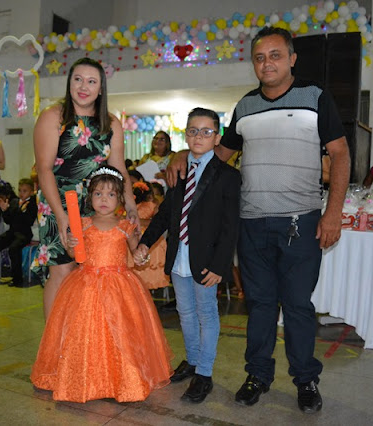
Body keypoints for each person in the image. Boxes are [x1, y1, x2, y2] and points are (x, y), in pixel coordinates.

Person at [165, 27, 350, 413]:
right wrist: (182, 154)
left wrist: (333, 213)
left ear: (292, 59)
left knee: (297, 305)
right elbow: (219, 156)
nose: (267, 63)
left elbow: (340, 154)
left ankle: (305, 380)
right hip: (251, 224)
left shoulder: (315, 97)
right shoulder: (246, 106)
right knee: (261, 305)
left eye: (276, 55)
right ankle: (258, 376)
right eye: (260, 57)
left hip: (300, 222)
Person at [31, 166, 172, 403]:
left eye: (110, 194)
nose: (104, 200)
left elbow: (137, 253)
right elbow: (76, 255)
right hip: (86, 284)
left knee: (120, 331)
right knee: (86, 332)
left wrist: (142, 256)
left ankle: (122, 378)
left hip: (119, 285)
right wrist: (71, 244)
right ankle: (86, 377)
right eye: (98, 194)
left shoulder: (126, 226)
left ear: (120, 199)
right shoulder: (83, 224)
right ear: (90, 197)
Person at [137, 108, 241, 403]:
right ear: (186, 135)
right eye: (193, 131)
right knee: (185, 312)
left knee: (206, 313)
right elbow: (165, 214)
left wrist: (220, 265)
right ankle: (193, 361)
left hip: (206, 260)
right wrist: (145, 243)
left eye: (206, 132)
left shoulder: (228, 176)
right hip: (179, 256)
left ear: (217, 137)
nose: (199, 137)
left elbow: (230, 226)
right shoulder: (180, 172)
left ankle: (204, 374)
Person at [33, 57, 138, 319]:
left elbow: (119, 168)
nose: (83, 86)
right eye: (78, 79)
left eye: (92, 81)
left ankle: (83, 333)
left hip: (97, 204)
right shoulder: (53, 117)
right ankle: (55, 338)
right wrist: (61, 216)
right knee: (62, 270)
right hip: (57, 202)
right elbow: (44, 169)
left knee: (91, 270)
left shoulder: (110, 123)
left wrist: (131, 204)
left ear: (101, 88)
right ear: (69, 82)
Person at [0, 178, 37, 287]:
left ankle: (17, 279)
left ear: (31, 192)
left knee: (14, 248)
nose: (21, 193)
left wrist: (20, 211)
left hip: (24, 233)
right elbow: (8, 220)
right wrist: (5, 210)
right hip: (12, 232)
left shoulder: (32, 204)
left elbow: (28, 221)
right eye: (20, 190)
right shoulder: (14, 202)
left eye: (25, 191)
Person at [130, 181, 169, 290]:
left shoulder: (153, 205)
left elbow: (157, 222)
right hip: (136, 236)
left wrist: (140, 222)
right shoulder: (133, 207)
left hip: (149, 236)